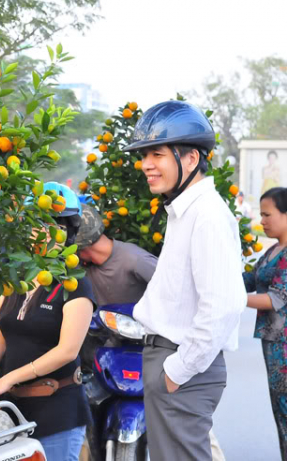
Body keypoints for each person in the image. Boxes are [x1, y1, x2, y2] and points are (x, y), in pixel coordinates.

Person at [123, 100, 246, 460]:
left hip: (181, 367)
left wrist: (177, 371)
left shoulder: (206, 215)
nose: (146, 165)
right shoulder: (185, 211)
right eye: (144, 155)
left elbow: (223, 306)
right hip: (171, 364)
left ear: (190, 159)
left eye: (157, 154)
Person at [74, 204, 225, 461]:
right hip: (113, 352)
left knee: (188, 426)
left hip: (155, 348)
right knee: (83, 412)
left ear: (81, 245)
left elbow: (179, 292)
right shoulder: (83, 270)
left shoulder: (135, 260)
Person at [0, 183, 95, 461]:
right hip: (12, 410)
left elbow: (67, 351)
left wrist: (6, 379)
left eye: (54, 224)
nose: (43, 232)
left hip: (57, 409)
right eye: (36, 223)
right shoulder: (15, 276)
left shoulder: (75, 283)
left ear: (68, 230)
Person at [243, 187, 287, 460]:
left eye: (268, 215)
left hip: (284, 349)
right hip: (273, 345)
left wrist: (234, 299)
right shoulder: (273, 250)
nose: (263, 221)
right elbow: (250, 280)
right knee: (280, 412)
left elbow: (275, 299)